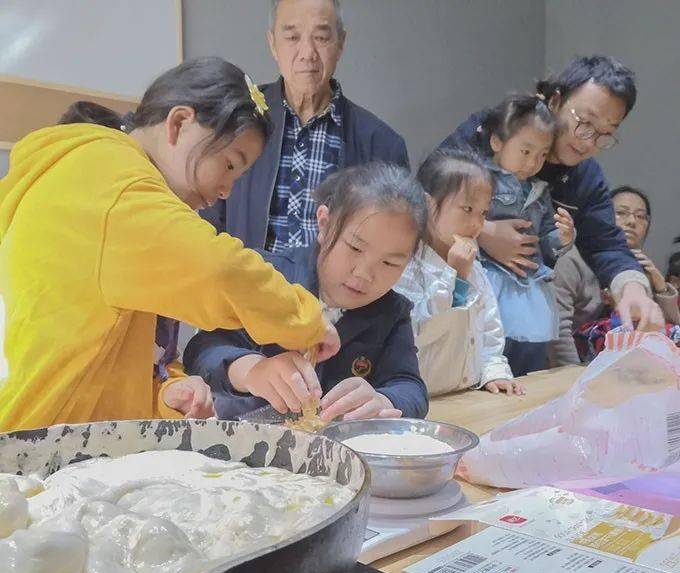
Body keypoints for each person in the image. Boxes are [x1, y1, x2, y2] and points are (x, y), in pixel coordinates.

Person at [0, 57, 340, 433]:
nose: (226, 190)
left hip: (78, 440)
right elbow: (218, 270)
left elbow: (120, 345)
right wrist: (308, 320)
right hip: (36, 446)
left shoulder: (117, 187)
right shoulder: (108, 180)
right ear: (179, 123)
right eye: (229, 164)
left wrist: (167, 392)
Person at [184, 163, 429, 421]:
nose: (364, 274)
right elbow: (202, 350)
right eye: (355, 248)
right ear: (324, 224)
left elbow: (410, 386)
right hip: (244, 442)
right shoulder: (266, 275)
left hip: (334, 451)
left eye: (390, 263)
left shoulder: (390, 311)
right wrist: (251, 370)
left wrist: (383, 400)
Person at [440, 55, 663, 334]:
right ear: (555, 101)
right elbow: (428, 195)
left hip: (523, 308)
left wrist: (633, 289)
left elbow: (607, 245)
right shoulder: (499, 127)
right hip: (458, 299)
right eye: (584, 122)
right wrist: (482, 230)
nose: (589, 142)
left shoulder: (586, 177)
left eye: (605, 134)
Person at [202, 0, 410, 250]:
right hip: (248, 283)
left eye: (321, 38)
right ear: (272, 44)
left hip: (331, 289)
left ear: (341, 43)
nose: (307, 53)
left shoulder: (382, 146)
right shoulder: (236, 119)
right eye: (292, 37)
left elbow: (391, 245)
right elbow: (206, 223)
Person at [396, 147, 524, 396]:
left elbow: (489, 330)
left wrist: (494, 371)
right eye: (467, 209)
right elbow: (416, 335)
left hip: (466, 396)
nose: (477, 224)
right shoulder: (405, 263)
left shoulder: (473, 265)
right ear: (428, 203)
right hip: (423, 400)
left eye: (484, 213)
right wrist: (453, 276)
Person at [472, 94, 575, 375]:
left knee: (530, 356)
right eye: (525, 151)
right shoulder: (478, 178)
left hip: (529, 286)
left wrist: (563, 238)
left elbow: (546, 238)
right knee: (489, 353)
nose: (532, 163)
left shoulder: (540, 190)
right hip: (489, 280)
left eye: (542, 155)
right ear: (496, 142)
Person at [551, 186, 680, 365]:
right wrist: (572, 378)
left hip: (627, 369)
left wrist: (661, 286)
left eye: (640, 216)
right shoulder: (573, 258)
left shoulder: (641, 267)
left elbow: (671, 332)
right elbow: (557, 328)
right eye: (621, 213)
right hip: (578, 364)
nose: (631, 221)